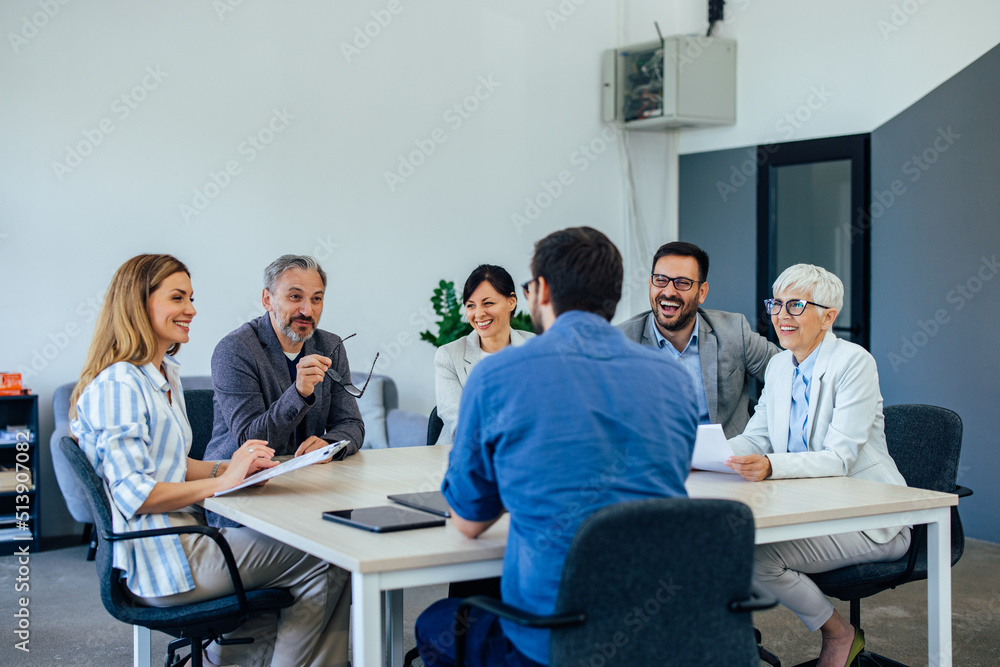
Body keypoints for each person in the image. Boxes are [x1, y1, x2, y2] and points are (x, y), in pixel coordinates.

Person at [415, 227, 698, 667]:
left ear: (540, 291)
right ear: (615, 295)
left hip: (551, 639)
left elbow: (468, 523)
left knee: (436, 621)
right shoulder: (674, 379)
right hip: (655, 630)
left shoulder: (496, 377)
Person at [69, 254, 351, 667]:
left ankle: (231, 658)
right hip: (165, 557)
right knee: (329, 557)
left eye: (191, 297)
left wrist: (232, 470)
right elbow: (135, 493)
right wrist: (223, 482)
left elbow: (171, 464)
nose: (192, 309)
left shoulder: (160, 373)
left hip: (185, 538)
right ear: (138, 304)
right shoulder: (120, 384)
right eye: (178, 298)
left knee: (299, 570)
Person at [724, 264, 910, 667]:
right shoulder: (778, 366)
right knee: (724, 540)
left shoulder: (854, 363)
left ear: (829, 316)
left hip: (871, 518)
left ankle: (840, 636)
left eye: (796, 305)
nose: (781, 315)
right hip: (811, 509)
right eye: (776, 304)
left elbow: (839, 457)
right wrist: (711, 454)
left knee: (752, 556)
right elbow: (757, 436)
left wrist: (770, 466)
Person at [204, 255, 364, 526]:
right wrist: (299, 393)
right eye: (294, 297)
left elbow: (352, 424)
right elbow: (251, 441)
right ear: (267, 300)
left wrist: (328, 444)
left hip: (306, 492)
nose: (307, 310)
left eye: (316, 299)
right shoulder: (235, 350)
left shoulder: (330, 346)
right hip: (242, 495)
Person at [619, 241, 779, 437]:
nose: (668, 292)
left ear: (702, 292)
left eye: (682, 283)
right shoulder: (622, 343)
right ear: (650, 284)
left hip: (725, 462)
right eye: (660, 280)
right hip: (655, 463)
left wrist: (762, 433)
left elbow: (790, 373)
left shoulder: (734, 332)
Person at [434, 264, 534, 446]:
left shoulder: (536, 348)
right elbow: (460, 427)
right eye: (471, 305)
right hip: (464, 460)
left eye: (488, 303)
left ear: (511, 301)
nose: (479, 314)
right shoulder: (449, 356)